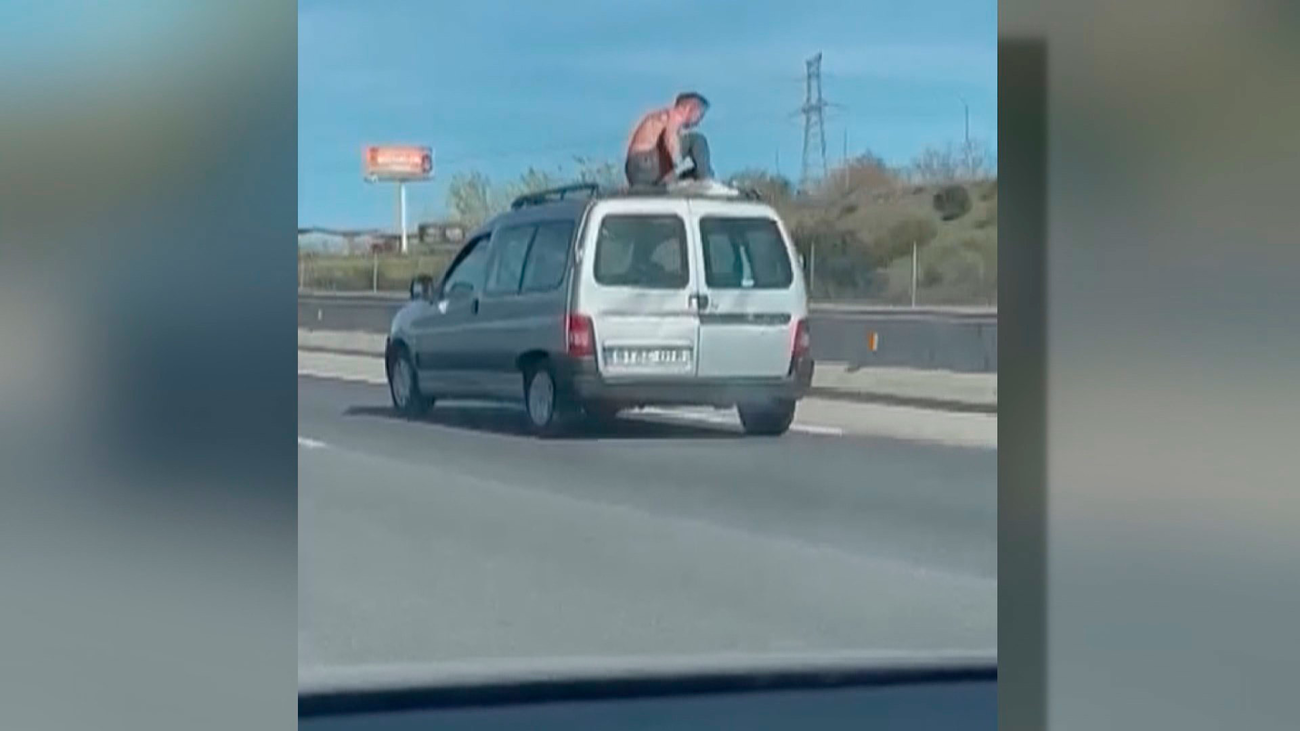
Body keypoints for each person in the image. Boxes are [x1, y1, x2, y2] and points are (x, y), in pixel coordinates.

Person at [624, 92, 712, 187]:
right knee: (697, 140)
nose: (698, 123)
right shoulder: (675, 115)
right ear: (690, 108)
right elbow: (669, 137)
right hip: (646, 162)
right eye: (700, 116)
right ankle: (706, 180)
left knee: (692, 169)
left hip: (635, 170)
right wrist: (678, 163)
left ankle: (672, 185)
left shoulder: (660, 117)